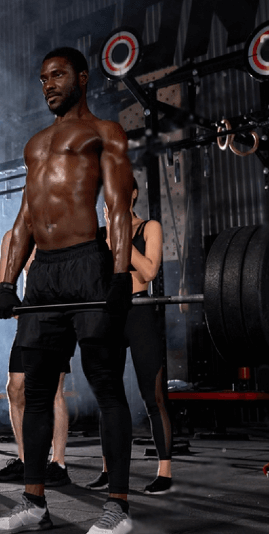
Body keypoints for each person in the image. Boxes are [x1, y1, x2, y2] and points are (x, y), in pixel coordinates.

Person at [0, 46, 135, 534]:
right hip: (42, 274)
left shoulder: (104, 133)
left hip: (88, 264)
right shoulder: (35, 144)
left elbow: (116, 206)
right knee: (34, 390)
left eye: (58, 75)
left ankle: (118, 508)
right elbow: (26, 217)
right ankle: (33, 502)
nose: (48, 84)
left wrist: (118, 273)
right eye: (43, 77)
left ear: (83, 78)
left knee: (106, 384)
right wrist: (8, 283)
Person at [86, 179, 174, 494]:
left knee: (154, 395)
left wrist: (119, 235)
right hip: (109, 315)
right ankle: (109, 469)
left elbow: (148, 271)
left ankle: (164, 472)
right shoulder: (99, 234)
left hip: (139, 312)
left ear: (133, 193)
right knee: (107, 398)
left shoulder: (149, 227)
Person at [0, 229, 72, 487]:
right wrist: (18, 310)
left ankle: (57, 464)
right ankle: (26, 461)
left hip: (60, 317)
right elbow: (5, 285)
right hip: (30, 318)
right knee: (15, 388)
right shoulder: (12, 237)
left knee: (53, 390)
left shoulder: (64, 231)